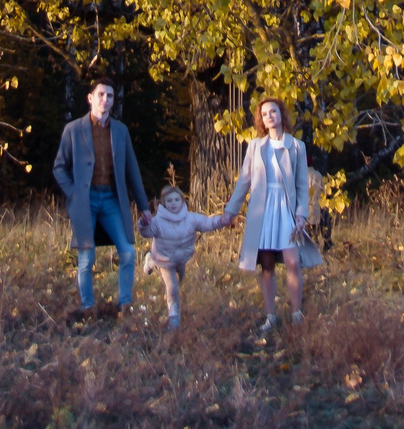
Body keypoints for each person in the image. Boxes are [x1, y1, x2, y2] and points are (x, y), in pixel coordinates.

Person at [51, 80, 151, 315]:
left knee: (128, 251)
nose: (105, 100)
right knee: (87, 257)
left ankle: (125, 305)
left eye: (110, 96)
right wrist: (73, 192)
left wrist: (144, 206)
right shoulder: (74, 129)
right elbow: (59, 167)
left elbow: (132, 170)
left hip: (111, 200)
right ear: (90, 98)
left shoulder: (120, 131)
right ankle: (88, 308)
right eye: (101, 95)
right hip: (85, 202)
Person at [220, 96, 319, 332]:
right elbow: (244, 182)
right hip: (262, 212)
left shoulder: (296, 146)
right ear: (261, 120)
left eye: (272, 112)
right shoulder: (255, 147)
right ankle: (270, 316)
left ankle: (296, 313)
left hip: (286, 210)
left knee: (293, 262)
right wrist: (230, 212)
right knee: (267, 265)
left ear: (281, 114)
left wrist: (301, 215)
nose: (269, 117)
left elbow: (301, 185)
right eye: (264, 114)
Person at [135, 183, 228, 329]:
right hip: (164, 260)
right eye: (169, 201)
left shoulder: (191, 218)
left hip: (181, 259)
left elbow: (207, 223)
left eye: (176, 200)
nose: (173, 203)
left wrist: (222, 220)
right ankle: (173, 317)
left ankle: (150, 260)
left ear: (182, 201)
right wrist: (143, 223)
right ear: (163, 203)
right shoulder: (158, 222)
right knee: (172, 287)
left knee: (180, 281)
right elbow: (146, 232)